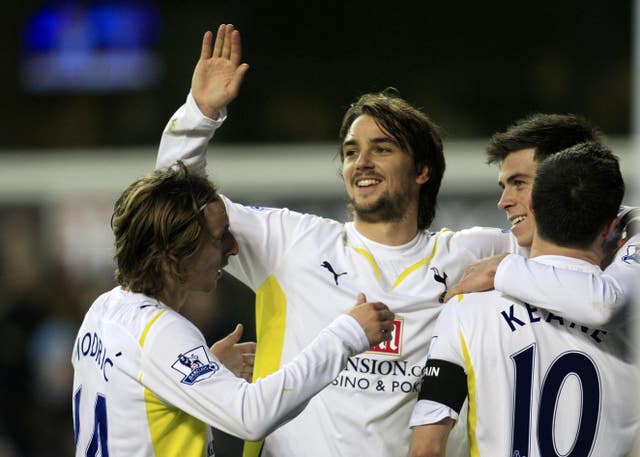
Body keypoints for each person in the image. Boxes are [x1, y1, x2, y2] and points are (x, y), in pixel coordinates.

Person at [156, 24, 638, 457]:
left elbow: (586, 223)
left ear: (422, 170)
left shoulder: (475, 253)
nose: (361, 162)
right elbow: (176, 200)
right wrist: (200, 114)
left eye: (381, 149)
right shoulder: (291, 241)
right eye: (350, 152)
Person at [71, 163, 395, 456]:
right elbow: (250, 417)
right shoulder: (162, 332)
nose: (233, 248)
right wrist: (346, 335)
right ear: (177, 251)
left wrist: (204, 366)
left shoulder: (103, 311)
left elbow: (137, 398)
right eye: (219, 237)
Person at [408, 142, 639, 456]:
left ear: (534, 208)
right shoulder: (633, 315)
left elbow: (426, 448)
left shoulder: (466, 309)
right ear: (612, 226)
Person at [444, 114, 639, 321]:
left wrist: (500, 270)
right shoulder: (497, 246)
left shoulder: (632, 228)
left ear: (564, 178)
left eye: (519, 183)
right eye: (505, 187)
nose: (503, 202)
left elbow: (606, 306)